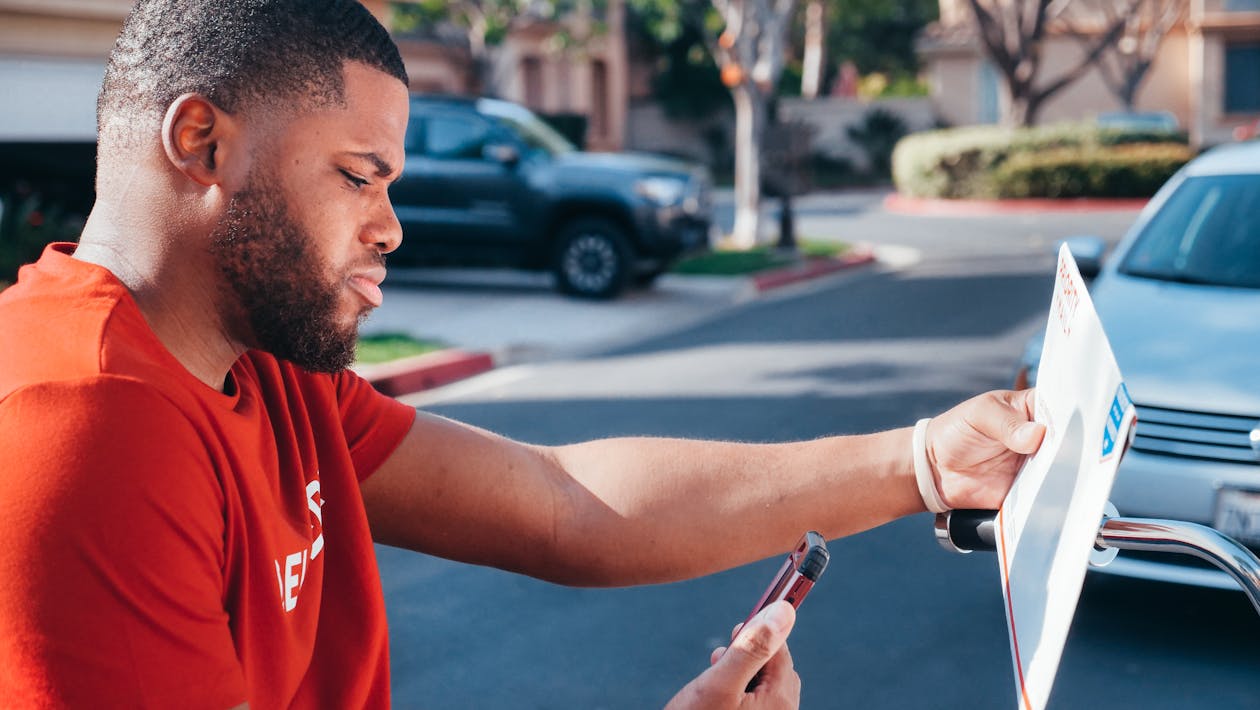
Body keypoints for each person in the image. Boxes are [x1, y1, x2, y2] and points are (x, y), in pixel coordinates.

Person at [0, 1, 1045, 707]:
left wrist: (920, 463)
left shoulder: (257, 360)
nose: (391, 225)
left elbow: (559, 501)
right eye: (360, 175)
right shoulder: (81, 425)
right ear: (202, 141)